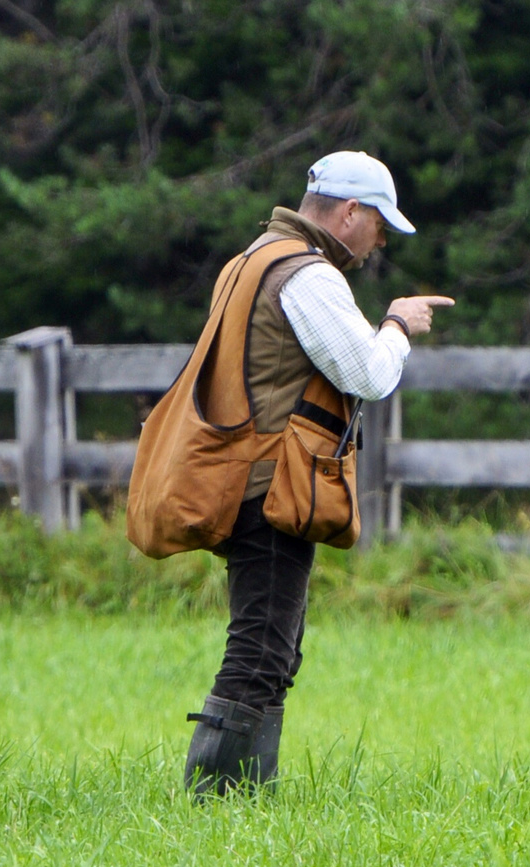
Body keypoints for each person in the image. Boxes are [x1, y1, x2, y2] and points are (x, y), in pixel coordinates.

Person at [179, 151, 453, 795]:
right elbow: (368, 374)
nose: (382, 238)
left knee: (273, 646)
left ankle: (243, 794)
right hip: (273, 485)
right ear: (350, 211)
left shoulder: (251, 259)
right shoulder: (307, 274)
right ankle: (217, 801)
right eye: (380, 221)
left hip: (243, 475)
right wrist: (397, 325)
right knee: (261, 650)